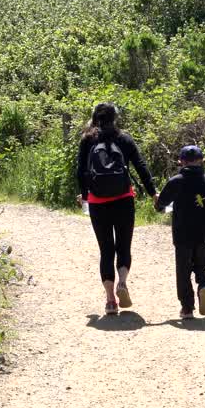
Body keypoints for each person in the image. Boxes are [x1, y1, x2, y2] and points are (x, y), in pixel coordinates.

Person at [76, 103, 157, 315]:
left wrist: (85, 196)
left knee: (106, 250)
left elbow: (80, 171)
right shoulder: (124, 138)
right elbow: (141, 166)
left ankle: (110, 300)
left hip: (97, 202)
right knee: (123, 246)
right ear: (115, 118)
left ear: (94, 118)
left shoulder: (87, 139)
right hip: (123, 198)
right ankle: (122, 282)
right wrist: (153, 193)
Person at [155, 145, 205, 320]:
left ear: (182, 162)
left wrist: (157, 200)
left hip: (182, 234)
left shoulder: (176, 181)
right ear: (201, 161)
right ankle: (204, 286)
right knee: (200, 265)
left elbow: (160, 206)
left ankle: (187, 308)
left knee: (183, 270)